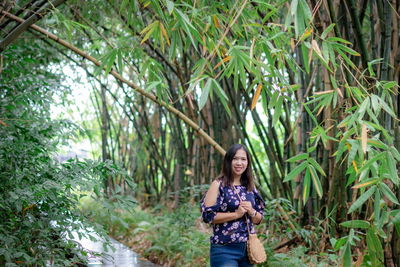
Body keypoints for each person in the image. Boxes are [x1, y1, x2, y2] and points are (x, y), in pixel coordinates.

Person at [201, 144, 265, 267]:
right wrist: (236, 214)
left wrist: (251, 211)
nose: (239, 163)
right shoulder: (218, 184)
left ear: (248, 162)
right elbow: (207, 217)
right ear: (228, 161)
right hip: (224, 249)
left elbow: (259, 219)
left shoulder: (250, 186)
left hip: (247, 249)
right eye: (235, 159)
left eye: (243, 159)